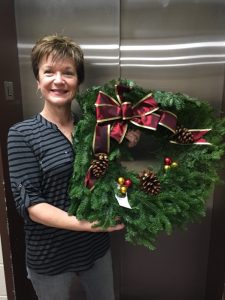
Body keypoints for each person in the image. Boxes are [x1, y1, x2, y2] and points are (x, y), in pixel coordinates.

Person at [7, 34, 140, 300]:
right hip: (50, 257)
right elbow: (33, 206)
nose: (58, 80)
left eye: (68, 72)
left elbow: (107, 174)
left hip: (95, 250)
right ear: (38, 81)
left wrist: (127, 140)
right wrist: (94, 224)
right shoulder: (22, 135)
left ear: (77, 82)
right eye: (49, 72)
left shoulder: (92, 128)